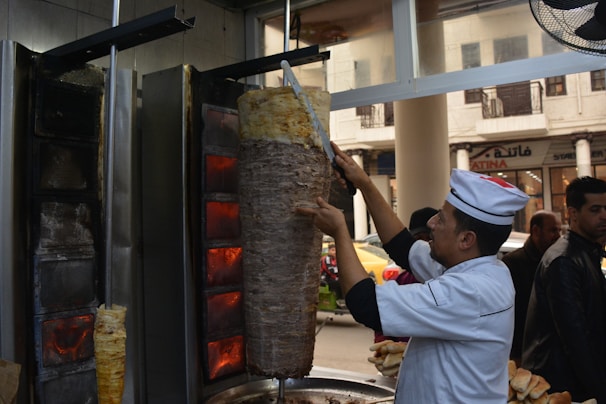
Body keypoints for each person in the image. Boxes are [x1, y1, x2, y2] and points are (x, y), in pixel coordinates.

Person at [297, 142, 529, 403]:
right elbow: (403, 246)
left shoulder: (470, 291)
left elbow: (366, 305)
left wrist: (340, 232)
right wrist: (363, 183)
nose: (431, 223)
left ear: (466, 239)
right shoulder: (484, 270)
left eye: (441, 219)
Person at [522, 176, 606, 403]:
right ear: (574, 213)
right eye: (595, 209)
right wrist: (600, 390)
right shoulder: (564, 260)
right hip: (559, 386)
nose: (604, 216)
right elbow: (575, 336)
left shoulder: (586, 253)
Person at [501, 210, 561, 366]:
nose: (558, 236)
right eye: (553, 230)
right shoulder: (513, 264)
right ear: (535, 230)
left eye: (559, 230)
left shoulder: (554, 262)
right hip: (522, 353)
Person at [374, 206, 438, 343]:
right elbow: (382, 317)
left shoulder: (449, 280)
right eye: (418, 238)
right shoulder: (401, 281)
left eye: (429, 238)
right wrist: (384, 344)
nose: (424, 244)